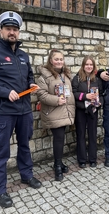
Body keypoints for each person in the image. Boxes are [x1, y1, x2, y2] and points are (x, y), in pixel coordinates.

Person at [0, 11, 42, 208]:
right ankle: (0, 190)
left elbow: (29, 75)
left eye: (15, 29)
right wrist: (5, 92)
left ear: (18, 32)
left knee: (24, 145)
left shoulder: (23, 56)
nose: (12, 32)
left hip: (24, 110)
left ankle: (26, 175)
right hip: (4, 111)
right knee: (1, 151)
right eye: (8, 29)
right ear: (1, 31)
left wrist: (31, 83)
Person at [35, 49, 75, 181]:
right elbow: (41, 94)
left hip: (65, 112)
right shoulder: (44, 77)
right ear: (51, 61)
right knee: (58, 139)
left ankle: (59, 162)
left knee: (61, 138)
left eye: (61, 59)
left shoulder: (66, 75)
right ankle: (57, 165)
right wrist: (56, 100)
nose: (59, 61)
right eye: (56, 59)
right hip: (53, 112)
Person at [71, 56, 103, 168]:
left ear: (93, 66)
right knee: (80, 135)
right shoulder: (77, 78)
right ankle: (82, 159)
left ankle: (93, 159)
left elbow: (102, 94)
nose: (89, 66)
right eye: (87, 64)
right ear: (83, 66)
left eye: (91, 65)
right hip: (81, 110)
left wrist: (99, 103)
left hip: (93, 110)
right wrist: (85, 96)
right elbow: (73, 93)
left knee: (92, 134)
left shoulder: (97, 80)